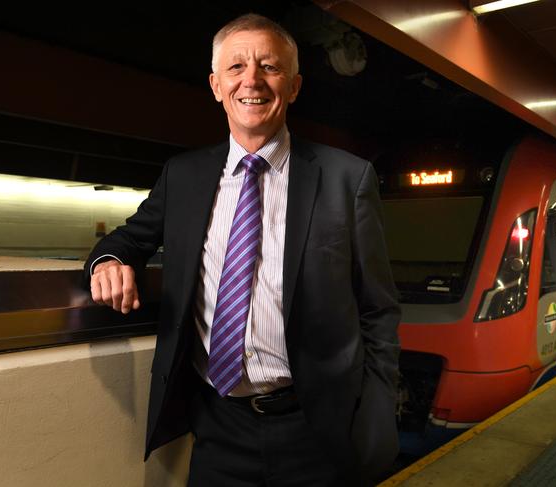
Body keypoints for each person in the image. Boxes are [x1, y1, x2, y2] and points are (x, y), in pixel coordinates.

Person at [86, 13, 400, 487]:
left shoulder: (346, 179)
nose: (251, 79)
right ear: (216, 85)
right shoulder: (184, 175)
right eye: (236, 67)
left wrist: (375, 416)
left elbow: (378, 309)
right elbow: (128, 238)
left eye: (268, 67)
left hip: (318, 427)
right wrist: (109, 261)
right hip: (218, 425)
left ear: (293, 86)